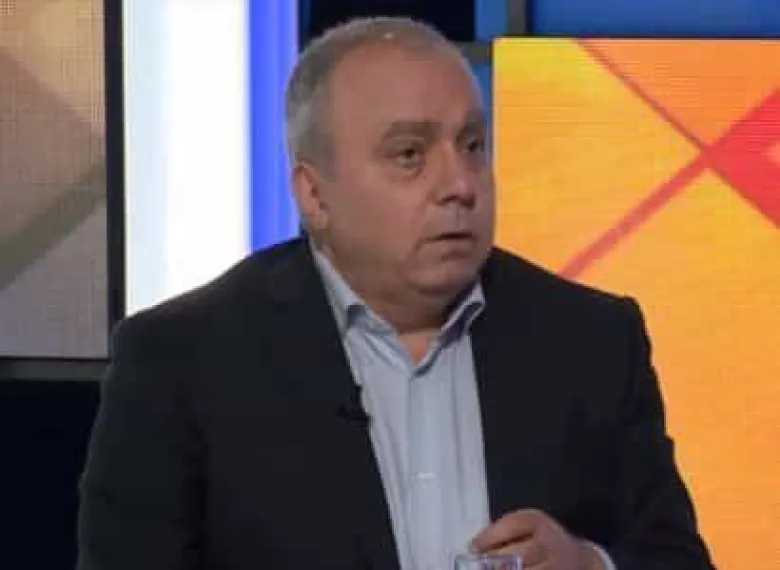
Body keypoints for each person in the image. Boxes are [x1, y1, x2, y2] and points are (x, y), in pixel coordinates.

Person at [77, 16, 715, 570]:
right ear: (314, 195)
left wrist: (591, 564)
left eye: (472, 146)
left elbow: (675, 558)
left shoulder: (591, 341)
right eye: (410, 154)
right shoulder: (182, 362)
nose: (460, 184)